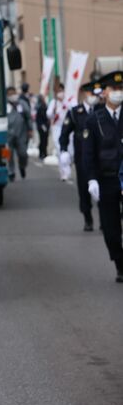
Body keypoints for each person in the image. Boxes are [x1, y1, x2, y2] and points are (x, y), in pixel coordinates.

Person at [82, 71, 123, 282]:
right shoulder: (94, 120)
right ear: (104, 92)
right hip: (107, 179)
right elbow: (88, 153)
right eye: (114, 89)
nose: (118, 92)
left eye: (121, 89)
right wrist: (91, 178)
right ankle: (120, 264)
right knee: (110, 228)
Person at [60, 81, 102, 231]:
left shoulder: (102, 110)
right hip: (82, 157)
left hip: (101, 158)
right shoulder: (75, 112)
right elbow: (64, 133)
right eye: (91, 93)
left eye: (96, 94)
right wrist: (64, 150)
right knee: (84, 190)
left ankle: (104, 219)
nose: (94, 97)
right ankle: (87, 218)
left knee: (103, 190)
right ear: (84, 93)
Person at [6, 86, 32, 181]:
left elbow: (28, 117)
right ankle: (11, 172)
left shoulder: (22, 104)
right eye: (10, 94)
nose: (12, 95)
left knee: (23, 154)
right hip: (7, 135)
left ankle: (22, 166)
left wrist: (30, 129)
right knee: (8, 155)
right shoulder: (4, 105)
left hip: (21, 134)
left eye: (13, 93)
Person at [35, 94, 50, 161]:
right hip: (42, 127)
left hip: (45, 126)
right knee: (43, 140)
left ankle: (44, 153)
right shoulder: (40, 107)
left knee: (44, 140)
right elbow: (40, 118)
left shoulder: (44, 106)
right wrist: (43, 125)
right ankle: (42, 153)